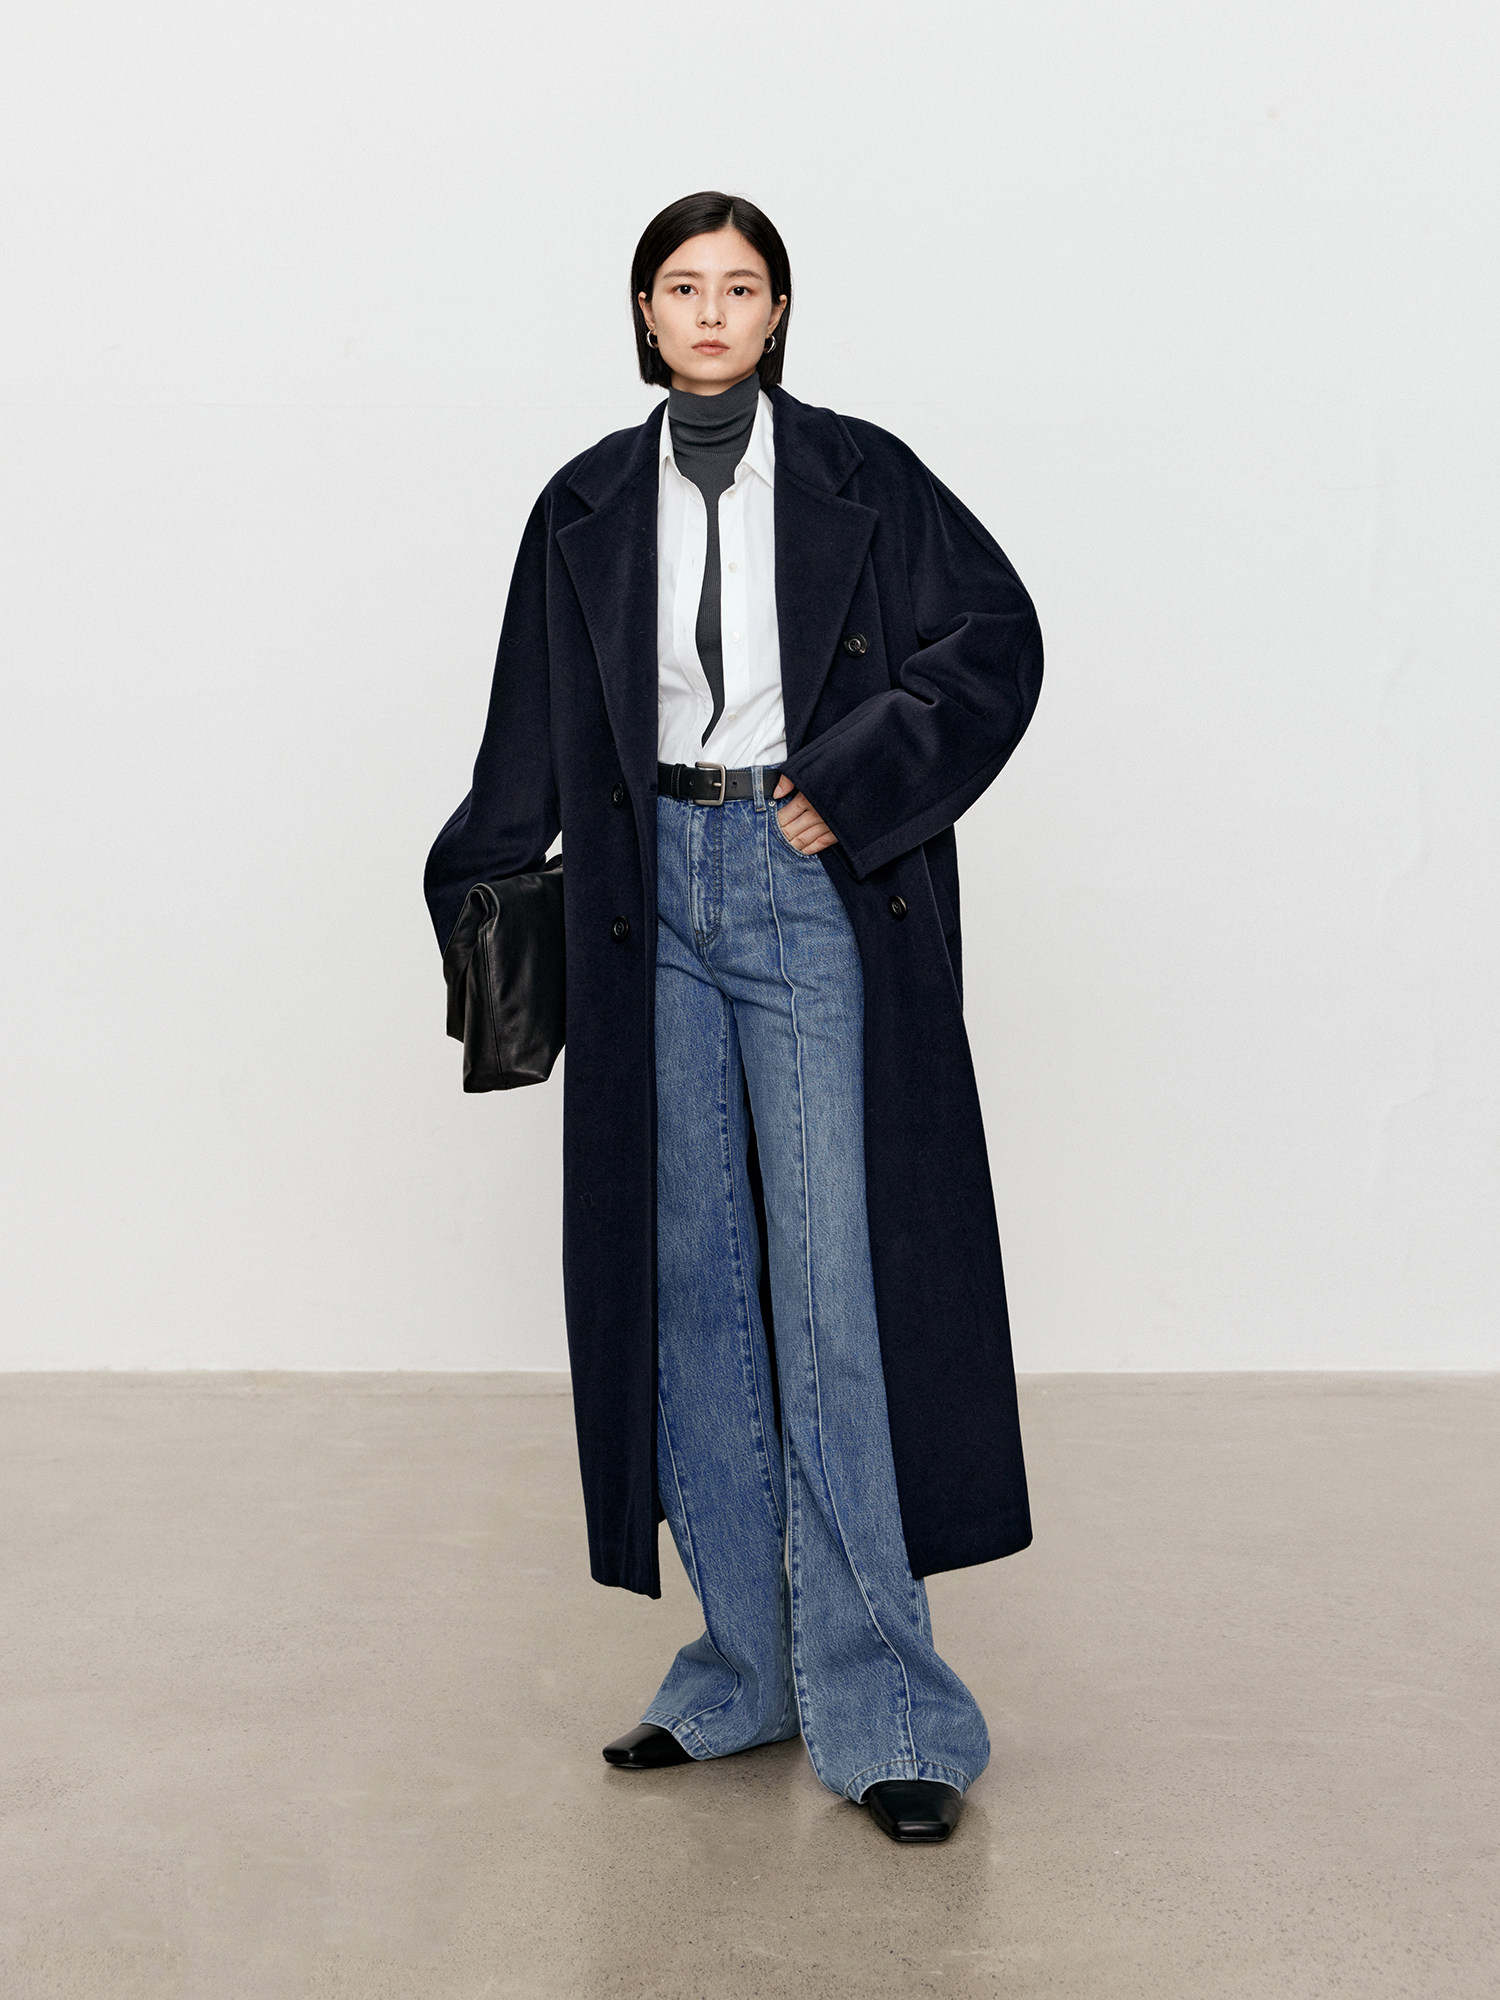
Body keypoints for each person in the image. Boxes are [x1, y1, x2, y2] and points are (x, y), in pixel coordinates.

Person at [425, 191, 1043, 1844]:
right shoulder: (584, 499)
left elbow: (993, 645)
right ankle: (744, 1673)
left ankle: (894, 1711)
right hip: (645, 901)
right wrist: (482, 896)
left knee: (831, 1289)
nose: (711, 311)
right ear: (644, 313)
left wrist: (854, 781)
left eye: (741, 286)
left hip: (799, 875)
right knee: (692, 1288)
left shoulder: (863, 473)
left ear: (778, 314)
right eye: (682, 286)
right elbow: (527, 731)